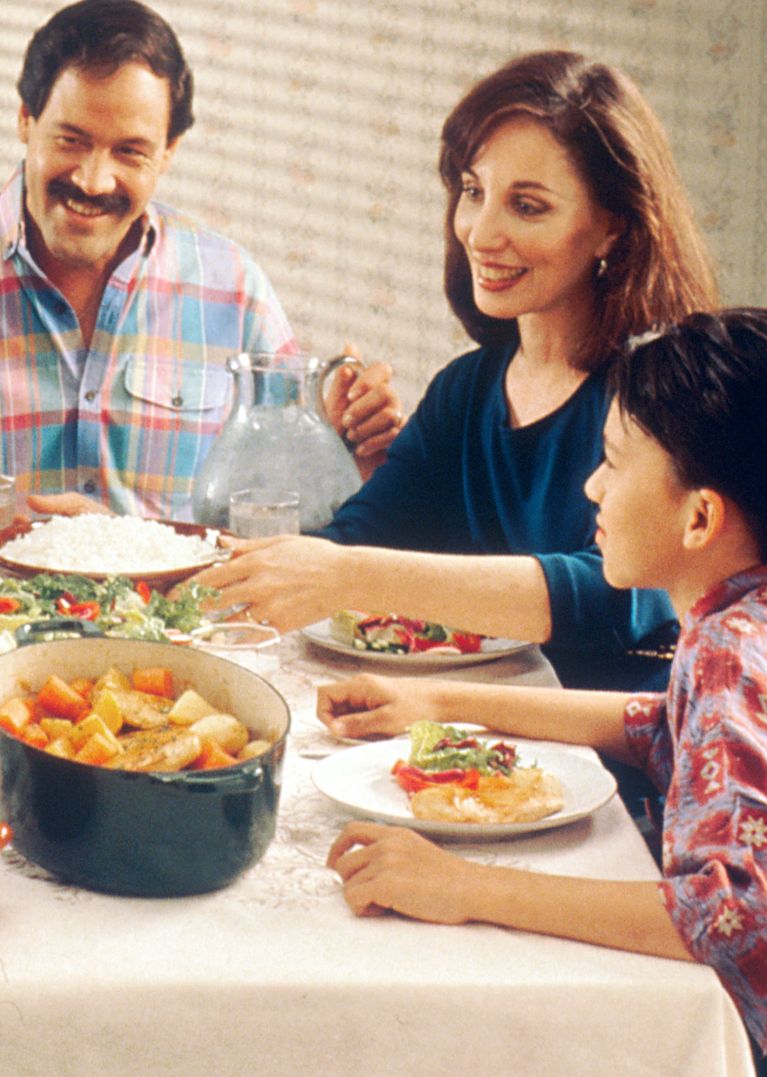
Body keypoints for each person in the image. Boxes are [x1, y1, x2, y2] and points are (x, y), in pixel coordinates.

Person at [322, 310, 767, 1077]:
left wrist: (461, 885)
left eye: (613, 463)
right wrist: (445, 705)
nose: (592, 484)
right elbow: (676, 724)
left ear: (700, 517)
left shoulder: (737, 653)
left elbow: (748, 924)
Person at [0, 0, 403, 563]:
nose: (92, 179)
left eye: (130, 152)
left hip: (177, 650)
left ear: (168, 153)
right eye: (71, 140)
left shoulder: (233, 289)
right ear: (26, 120)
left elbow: (283, 513)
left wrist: (346, 449)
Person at [192, 50, 720, 692]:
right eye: (473, 192)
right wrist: (135, 547)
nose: (480, 232)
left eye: (527, 206)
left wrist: (349, 573)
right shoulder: (466, 391)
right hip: (472, 743)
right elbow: (352, 540)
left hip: (622, 763)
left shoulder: (663, 398)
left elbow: (618, 590)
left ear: (611, 227)